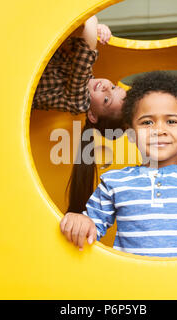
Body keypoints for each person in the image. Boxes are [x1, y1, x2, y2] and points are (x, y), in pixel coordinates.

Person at [60, 71, 177, 274]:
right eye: (147, 122)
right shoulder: (114, 183)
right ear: (132, 134)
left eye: (171, 121)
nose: (159, 130)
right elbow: (92, 226)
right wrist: (81, 220)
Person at [31, 15, 127, 214]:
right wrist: (97, 29)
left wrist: (92, 23)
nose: (106, 86)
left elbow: (86, 46)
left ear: (92, 115)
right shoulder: (85, 86)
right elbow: (76, 41)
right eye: (114, 87)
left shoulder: (79, 99)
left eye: (107, 100)